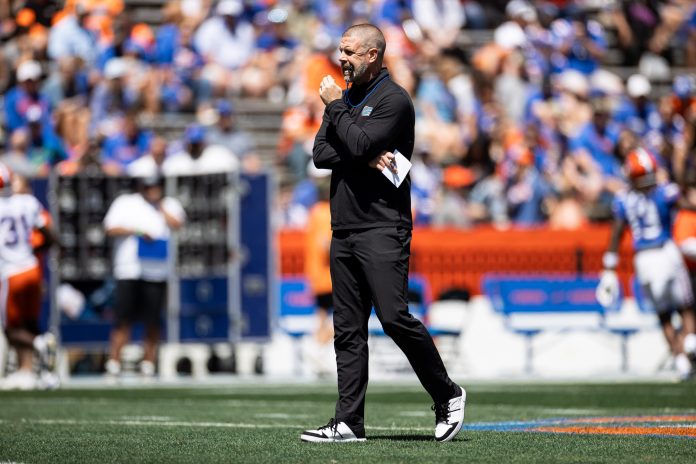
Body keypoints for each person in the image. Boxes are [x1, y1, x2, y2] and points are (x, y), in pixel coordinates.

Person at [300, 24, 465, 444]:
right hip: (345, 227)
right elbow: (321, 154)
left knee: (393, 317)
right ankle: (349, 422)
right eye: (340, 50)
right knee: (348, 328)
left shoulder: (394, 100)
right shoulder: (346, 97)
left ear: (373, 54)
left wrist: (341, 116)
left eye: (350, 51)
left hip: (383, 225)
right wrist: (361, 147)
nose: (342, 59)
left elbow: (353, 145)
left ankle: (447, 394)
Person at [596, 148, 695, 380]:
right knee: (686, 305)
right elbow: (685, 204)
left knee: (663, 315)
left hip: (643, 260)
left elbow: (617, 234)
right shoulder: (663, 192)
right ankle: (690, 343)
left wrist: (609, 268)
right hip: (665, 251)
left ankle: (681, 360)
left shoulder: (623, 199)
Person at [103, 175, 186, 378]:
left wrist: (160, 207)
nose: (152, 190)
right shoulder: (126, 203)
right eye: (149, 187)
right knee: (123, 318)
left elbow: (177, 224)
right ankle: (114, 361)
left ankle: (149, 362)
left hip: (157, 271)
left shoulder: (169, 204)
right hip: (128, 268)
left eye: (156, 186)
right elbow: (109, 227)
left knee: (153, 319)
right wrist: (138, 231)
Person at [0, 162, 58, 390]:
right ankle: (29, 373)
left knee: (10, 328)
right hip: (32, 269)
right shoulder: (29, 202)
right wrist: (34, 251)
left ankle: (39, 343)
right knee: (29, 322)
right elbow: (49, 234)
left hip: (10, 273)